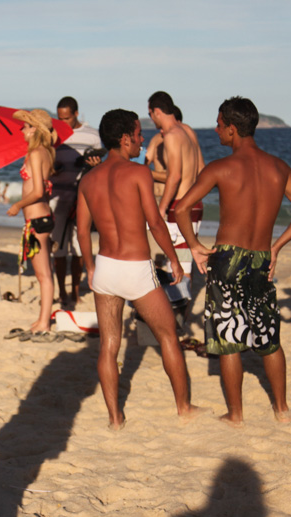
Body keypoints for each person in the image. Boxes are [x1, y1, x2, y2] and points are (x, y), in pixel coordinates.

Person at [174, 97, 291, 425]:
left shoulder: (221, 168)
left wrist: (195, 245)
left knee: (228, 339)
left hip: (227, 259)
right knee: (268, 335)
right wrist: (278, 246)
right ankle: (281, 409)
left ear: (233, 129)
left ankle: (236, 414)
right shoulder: (278, 167)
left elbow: (182, 208)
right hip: (261, 259)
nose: (216, 129)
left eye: (220, 124)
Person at [76, 109, 200, 429]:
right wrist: (173, 259)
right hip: (135, 269)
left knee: (109, 344)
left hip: (105, 267)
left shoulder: (88, 179)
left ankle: (115, 418)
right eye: (138, 134)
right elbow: (156, 223)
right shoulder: (137, 173)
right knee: (169, 334)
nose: (143, 140)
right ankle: (183, 407)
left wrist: (90, 267)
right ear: (125, 138)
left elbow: (81, 230)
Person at [148, 92, 206, 293]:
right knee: (185, 259)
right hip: (195, 205)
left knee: (181, 266)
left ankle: (180, 317)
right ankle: (182, 311)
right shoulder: (188, 131)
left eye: (150, 114)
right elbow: (201, 170)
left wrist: (162, 207)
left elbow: (174, 176)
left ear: (157, 111)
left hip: (178, 207)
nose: (151, 119)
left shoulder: (172, 136)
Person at [8, 108, 57, 334]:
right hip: (41, 218)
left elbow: (37, 190)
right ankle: (43, 319)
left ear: (35, 129)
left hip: (37, 219)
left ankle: (44, 322)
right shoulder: (44, 153)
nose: (23, 129)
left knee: (43, 275)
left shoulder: (36, 153)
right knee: (45, 273)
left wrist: (18, 205)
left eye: (26, 126)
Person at [52, 96, 103, 308]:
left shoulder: (92, 135)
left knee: (79, 249)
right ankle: (62, 291)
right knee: (59, 249)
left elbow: (100, 163)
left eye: (66, 118)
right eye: (59, 118)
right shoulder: (53, 134)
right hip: (57, 196)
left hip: (82, 197)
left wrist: (94, 164)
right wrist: (53, 168)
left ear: (76, 114)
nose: (63, 123)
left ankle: (74, 291)